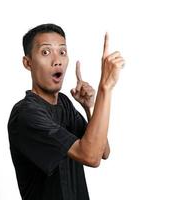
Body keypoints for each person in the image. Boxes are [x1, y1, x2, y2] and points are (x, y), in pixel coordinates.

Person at [8, 23, 125, 200]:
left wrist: (89, 107)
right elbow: (91, 157)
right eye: (46, 52)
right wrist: (105, 87)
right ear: (28, 62)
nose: (57, 60)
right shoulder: (26, 114)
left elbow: (102, 151)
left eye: (62, 52)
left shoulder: (64, 103)